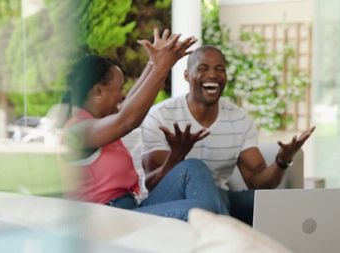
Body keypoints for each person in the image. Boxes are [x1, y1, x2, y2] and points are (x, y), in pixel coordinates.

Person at [61, 30, 228, 221]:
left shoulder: (101, 125)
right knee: (198, 210)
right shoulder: (77, 130)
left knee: (192, 168)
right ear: (98, 91)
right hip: (108, 221)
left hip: (132, 210)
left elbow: (129, 106)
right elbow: (128, 119)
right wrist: (162, 67)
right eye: (120, 88)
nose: (123, 95)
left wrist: (154, 63)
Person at [141, 45, 315, 225]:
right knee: (195, 167)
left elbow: (258, 184)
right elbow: (153, 186)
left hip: (218, 197)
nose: (212, 75)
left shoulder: (238, 118)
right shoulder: (161, 115)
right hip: (171, 203)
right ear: (186, 75)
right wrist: (177, 155)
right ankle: (225, 233)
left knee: (275, 205)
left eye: (219, 69)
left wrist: (282, 161)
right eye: (203, 68)